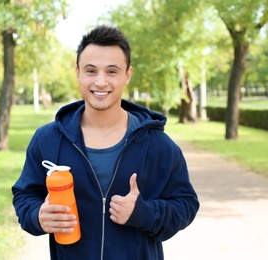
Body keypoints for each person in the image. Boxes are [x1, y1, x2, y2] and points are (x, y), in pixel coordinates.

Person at [12, 25, 199, 260]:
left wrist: (144, 213)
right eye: (91, 70)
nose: (100, 82)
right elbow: (24, 196)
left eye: (112, 71)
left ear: (127, 75)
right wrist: (37, 216)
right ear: (78, 72)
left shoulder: (158, 145)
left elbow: (186, 204)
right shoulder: (47, 139)